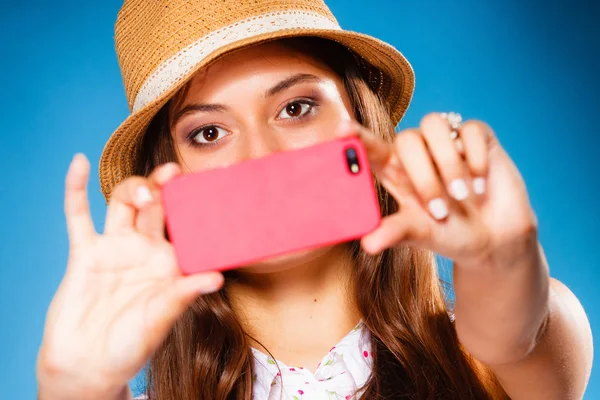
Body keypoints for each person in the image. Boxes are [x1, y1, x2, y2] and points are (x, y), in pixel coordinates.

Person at [36, 0, 593, 399]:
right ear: (168, 179)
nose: (262, 157)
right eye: (208, 133)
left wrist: (502, 263)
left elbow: (517, 334)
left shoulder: (489, 358)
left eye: (296, 107)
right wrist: (73, 390)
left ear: (361, 121)